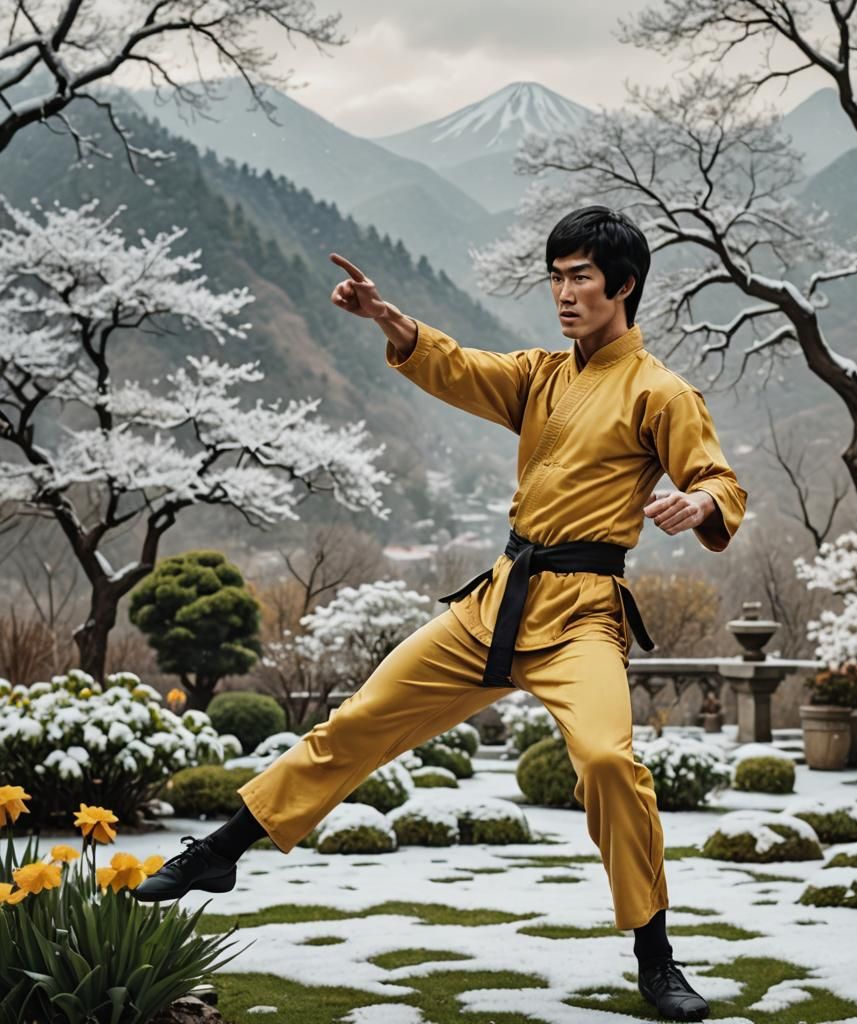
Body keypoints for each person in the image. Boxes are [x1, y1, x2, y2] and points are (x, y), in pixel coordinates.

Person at [134, 205, 748, 1022]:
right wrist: (389, 318)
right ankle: (219, 852)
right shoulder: (539, 375)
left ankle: (656, 958)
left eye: (581, 278)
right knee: (361, 720)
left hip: (581, 616)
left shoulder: (661, 391)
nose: (563, 293)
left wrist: (697, 503)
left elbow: (719, 479)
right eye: (555, 277)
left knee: (607, 762)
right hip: (497, 601)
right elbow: (456, 366)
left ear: (624, 286)